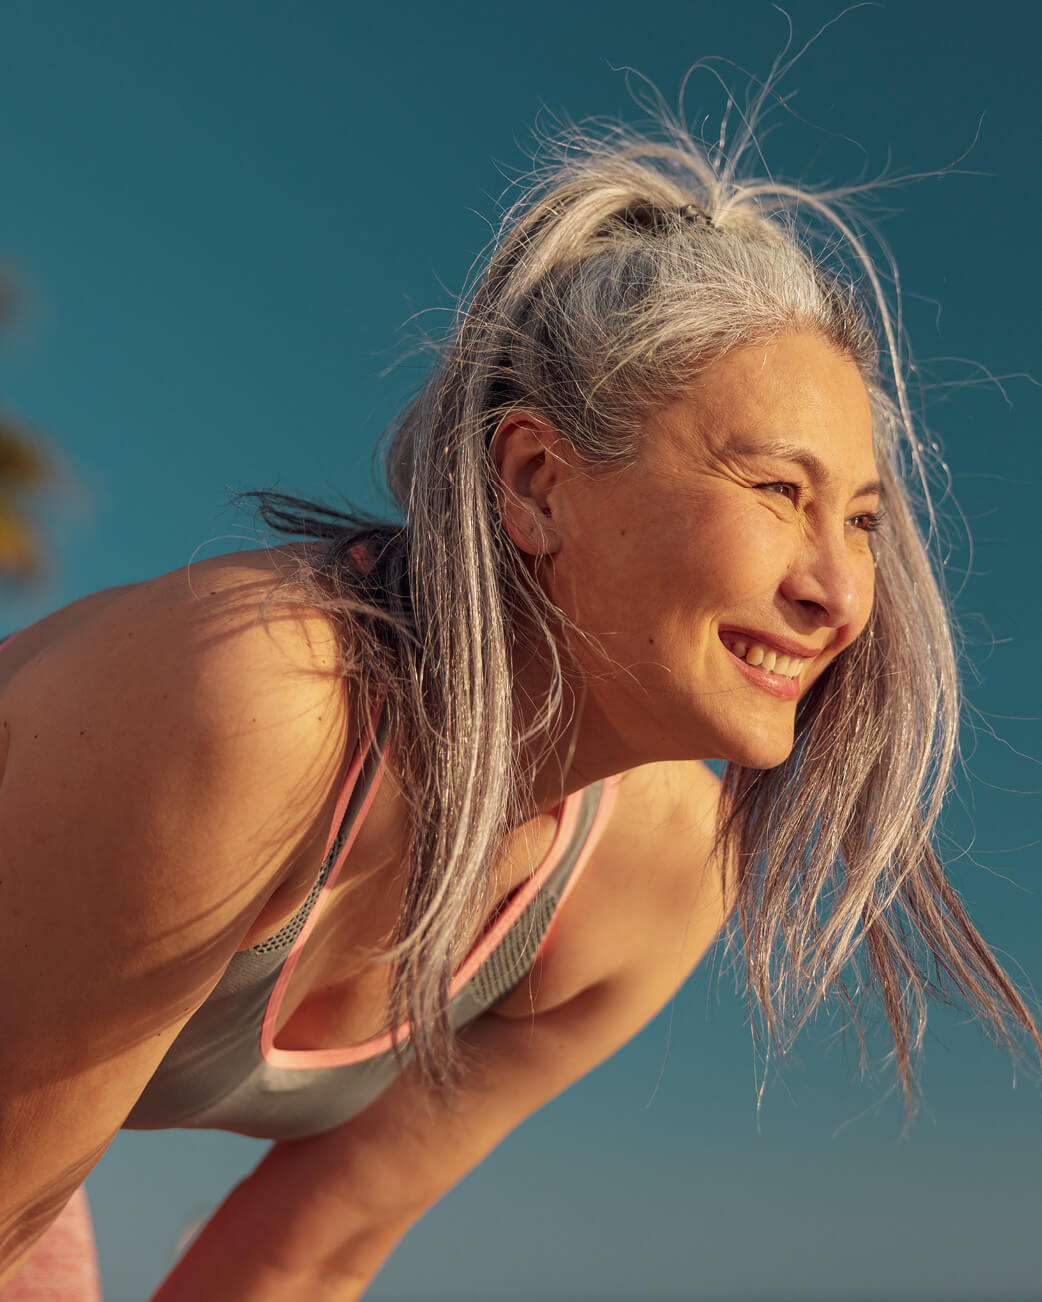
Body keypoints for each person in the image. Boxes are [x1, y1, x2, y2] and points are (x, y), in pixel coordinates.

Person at [1, 115, 1039, 1301]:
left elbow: (298, 1264)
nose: (841, 590)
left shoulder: (651, 880)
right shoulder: (264, 704)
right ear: (537, 482)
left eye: (857, 518)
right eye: (774, 489)